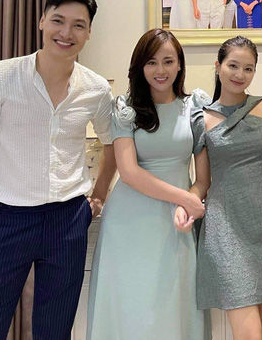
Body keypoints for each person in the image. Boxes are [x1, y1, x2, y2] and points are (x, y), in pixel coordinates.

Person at [0, 0, 117, 339]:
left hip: (68, 221)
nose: (66, 33)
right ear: (42, 21)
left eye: (78, 25)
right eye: (58, 20)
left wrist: (98, 197)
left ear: (89, 32)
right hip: (7, 221)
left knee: (54, 332)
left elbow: (112, 142)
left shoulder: (96, 89)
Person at [87, 28, 210, 339]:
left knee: (172, 306)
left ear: (180, 65)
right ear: (140, 67)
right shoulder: (125, 108)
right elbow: (128, 171)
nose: (160, 70)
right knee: (130, 307)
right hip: (129, 222)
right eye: (151, 62)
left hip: (176, 222)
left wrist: (190, 200)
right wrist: (185, 198)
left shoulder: (195, 105)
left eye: (168, 61)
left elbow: (203, 177)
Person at [177, 36, 262, 340]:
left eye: (248, 68)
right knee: (249, 333)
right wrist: (186, 203)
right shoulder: (201, 118)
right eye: (233, 66)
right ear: (218, 66)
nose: (240, 74)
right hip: (226, 229)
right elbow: (202, 182)